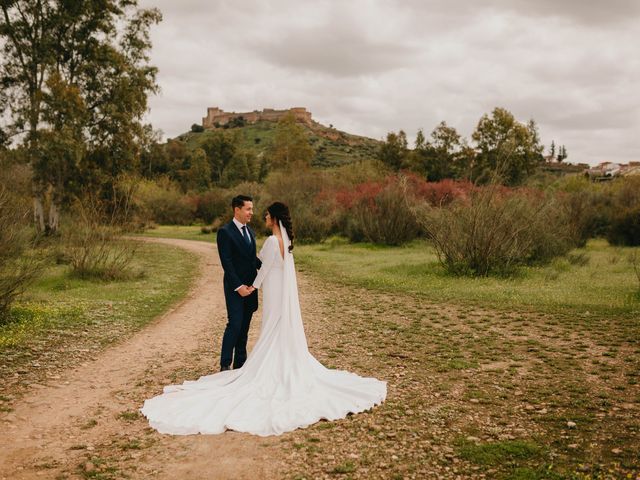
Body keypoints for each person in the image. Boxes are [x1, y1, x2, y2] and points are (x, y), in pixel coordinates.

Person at [141, 202, 386, 436]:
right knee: (277, 326)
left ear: (275, 218)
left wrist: (251, 287)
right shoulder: (285, 240)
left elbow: (265, 268)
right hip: (281, 290)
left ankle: (261, 365)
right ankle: (267, 359)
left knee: (271, 325)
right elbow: (269, 265)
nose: (263, 217)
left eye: (267, 215)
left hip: (272, 289)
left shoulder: (271, 240)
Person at [215, 195, 260, 371]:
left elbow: (252, 260)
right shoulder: (225, 232)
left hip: (251, 287)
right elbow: (227, 263)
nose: (251, 212)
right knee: (234, 324)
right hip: (236, 288)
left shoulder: (251, 232)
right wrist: (239, 286)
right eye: (248, 209)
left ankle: (240, 365)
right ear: (237, 210)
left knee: (245, 327)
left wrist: (272, 267)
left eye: (252, 209)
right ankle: (225, 364)